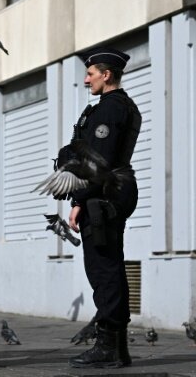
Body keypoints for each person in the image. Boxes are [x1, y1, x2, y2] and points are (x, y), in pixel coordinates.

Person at [64, 48, 142, 369]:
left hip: (104, 196)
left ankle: (108, 346)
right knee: (111, 265)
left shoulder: (110, 110)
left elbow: (99, 163)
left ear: (106, 75)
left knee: (103, 269)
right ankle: (117, 348)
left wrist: (79, 200)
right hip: (113, 192)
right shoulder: (121, 106)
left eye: (91, 74)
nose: (86, 80)